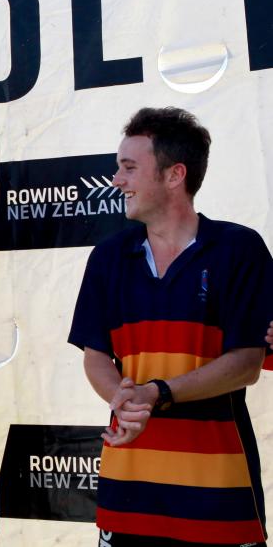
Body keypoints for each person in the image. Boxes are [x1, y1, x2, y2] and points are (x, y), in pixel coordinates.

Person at [68, 107, 270, 546]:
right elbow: (96, 355)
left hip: (219, 497)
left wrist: (158, 393)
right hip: (127, 499)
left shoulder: (240, 249)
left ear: (175, 175)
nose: (117, 180)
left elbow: (246, 364)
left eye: (129, 167)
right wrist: (121, 398)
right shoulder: (107, 257)